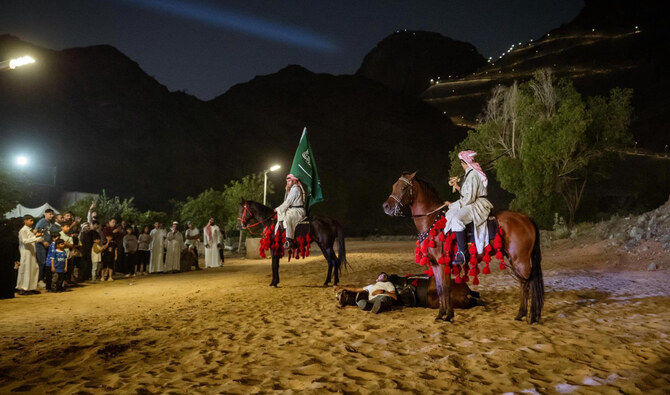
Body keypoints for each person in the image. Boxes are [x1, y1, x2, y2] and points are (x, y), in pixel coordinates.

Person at [443, 150, 494, 265]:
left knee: (457, 219)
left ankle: (462, 253)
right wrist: (458, 188)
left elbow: (469, 199)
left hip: (477, 204)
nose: (461, 165)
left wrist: (452, 204)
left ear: (463, 162)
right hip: (473, 201)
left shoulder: (472, 175)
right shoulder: (470, 175)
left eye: (461, 162)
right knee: (450, 214)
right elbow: (468, 194)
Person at [275, 174, 307, 249]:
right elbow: (286, 201)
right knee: (282, 214)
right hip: (293, 209)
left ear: (294, 181)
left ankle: (289, 240)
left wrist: (277, 209)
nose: (287, 183)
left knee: (287, 218)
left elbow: (288, 202)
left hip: (298, 210)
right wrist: (287, 190)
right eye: (287, 181)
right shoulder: (292, 189)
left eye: (289, 181)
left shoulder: (296, 189)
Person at [16, 215, 43, 295]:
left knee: (33, 269)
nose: (32, 222)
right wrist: (36, 238)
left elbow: (31, 239)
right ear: (25, 221)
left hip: (32, 252)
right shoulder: (23, 230)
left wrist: (37, 236)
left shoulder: (30, 230)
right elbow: (24, 241)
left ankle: (31, 287)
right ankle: (23, 288)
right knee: (25, 269)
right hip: (25, 252)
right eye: (30, 220)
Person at [35, 208, 58, 288]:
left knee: (47, 263)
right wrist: (43, 241)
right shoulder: (42, 222)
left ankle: (44, 279)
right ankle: (39, 280)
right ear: (45, 213)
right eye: (50, 214)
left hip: (48, 245)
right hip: (40, 245)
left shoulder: (50, 223)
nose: (51, 215)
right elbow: (36, 232)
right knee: (42, 262)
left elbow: (56, 231)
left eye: (52, 214)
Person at [0, 219, 21, 299]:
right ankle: (8, 293)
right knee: (9, 277)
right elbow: (16, 249)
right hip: (9, 260)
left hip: (3, 260)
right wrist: (17, 259)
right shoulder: (13, 236)